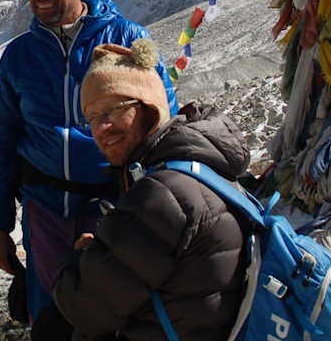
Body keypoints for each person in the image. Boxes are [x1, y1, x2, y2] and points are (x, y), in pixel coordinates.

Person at [0, 0, 178, 324]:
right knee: (52, 318)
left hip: (116, 208)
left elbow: (162, 128)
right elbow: (2, 144)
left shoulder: (127, 39)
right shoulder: (19, 56)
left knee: (117, 318)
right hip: (45, 212)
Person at [52, 40, 249, 341]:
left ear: (150, 109)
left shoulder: (163, 194)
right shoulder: (197, 169)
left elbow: (83, 306)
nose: (101, 128)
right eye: (92, 117)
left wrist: (78, 259)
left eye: (114, 110)